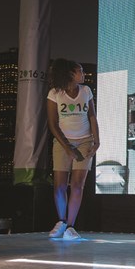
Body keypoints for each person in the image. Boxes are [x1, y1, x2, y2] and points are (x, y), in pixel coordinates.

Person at [45, 59, 99, 241]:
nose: (83, 75)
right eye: (80, 71)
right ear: (69, 74)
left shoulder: (86, 91)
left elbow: (92, 116)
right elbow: (52, 124)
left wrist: (96, 141)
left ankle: (70, 225)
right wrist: (67, 148)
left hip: (85, 141)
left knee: (77, 185)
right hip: (62, 142)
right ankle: (60, 222)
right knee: (60, 186)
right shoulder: (55, 93)